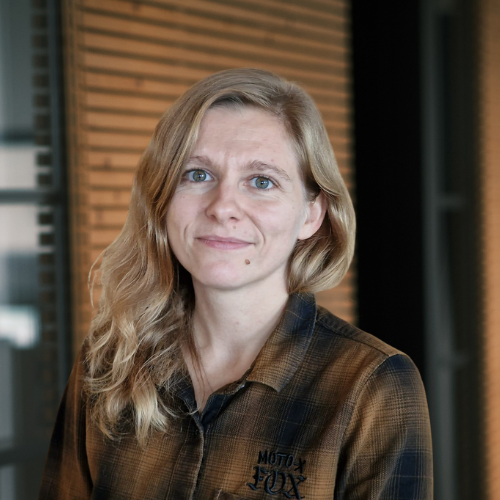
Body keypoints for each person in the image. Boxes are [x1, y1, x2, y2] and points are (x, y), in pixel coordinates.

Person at [39, 68, 433, 500]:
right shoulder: (108, 361)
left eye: (262, 181)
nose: (222, 206)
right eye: (197, 174)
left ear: (311, 214)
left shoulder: (371, 386)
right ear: (163, 198)